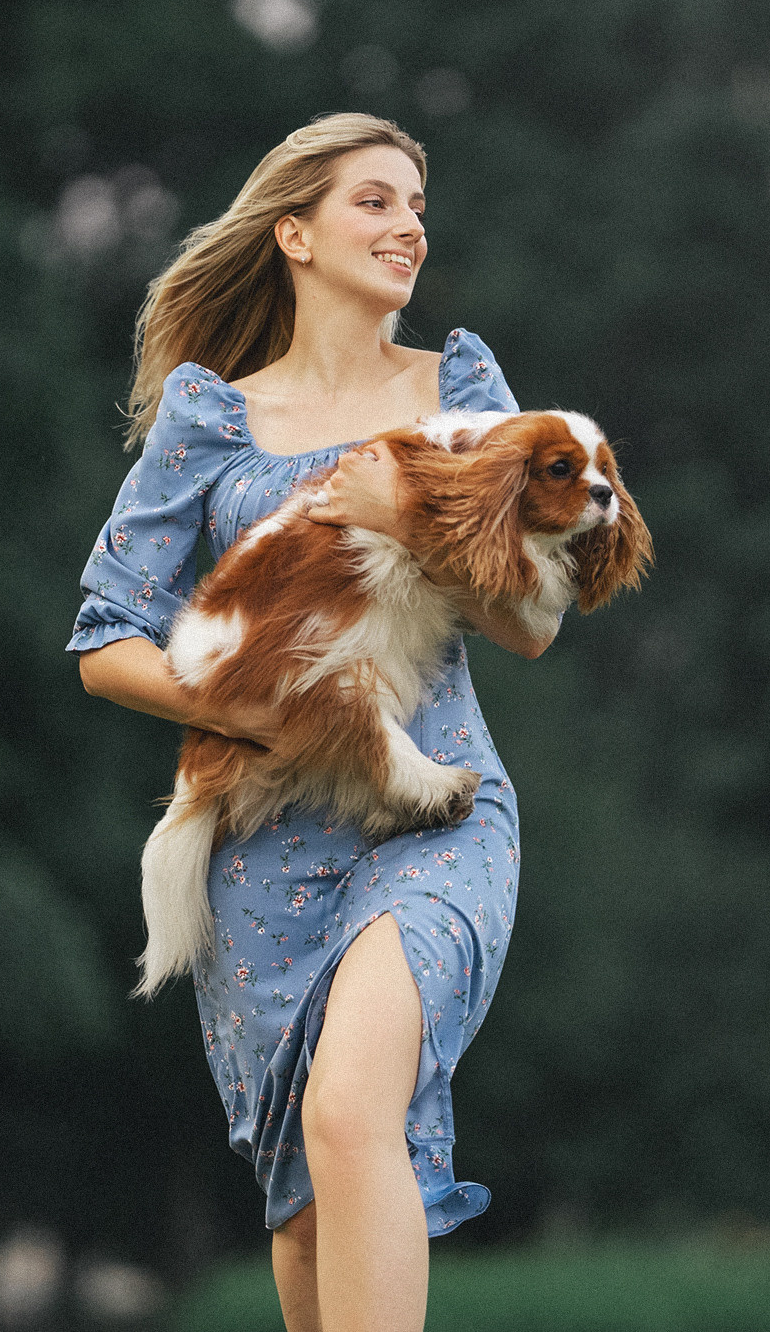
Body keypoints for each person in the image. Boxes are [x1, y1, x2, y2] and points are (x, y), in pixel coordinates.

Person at [72, 113, 549, 1332]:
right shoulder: (209, 418)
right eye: (376, 202)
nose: (409, 227)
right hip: (263, 847)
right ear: (293, 232)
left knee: (349, 1109)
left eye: (417, 207)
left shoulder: (459, 391)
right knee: (303, 1209)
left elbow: (535, 621)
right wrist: (253, 708)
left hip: (435, 809)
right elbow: (105, 639)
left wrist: (410, 513)